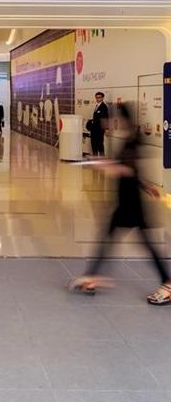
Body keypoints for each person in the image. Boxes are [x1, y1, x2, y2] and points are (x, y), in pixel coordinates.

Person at [69, 103, 170, 303]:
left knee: (116, 239)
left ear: (122, 120)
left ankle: (167, 283)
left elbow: (127, 170)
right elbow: (133, 169)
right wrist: (146, 185)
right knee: (117, 239)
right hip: (128, 199)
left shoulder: (133, 140)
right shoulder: (130, 139)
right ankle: (92, 276)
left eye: (114, 119)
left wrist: (104, 165)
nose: (110, 122)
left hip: (130, 202)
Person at [90, 91, 109, 156]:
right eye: (96, 97)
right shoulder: (97, 106)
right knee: (94, 144)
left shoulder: (104, 107)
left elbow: (106, 118)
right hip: (94, 129)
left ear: (102, 98)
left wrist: (106, 129)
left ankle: (101, 158)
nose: (98, 99)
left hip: (99, 129)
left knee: (100, 144)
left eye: (99, 97)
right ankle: (95, 158)